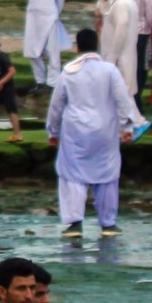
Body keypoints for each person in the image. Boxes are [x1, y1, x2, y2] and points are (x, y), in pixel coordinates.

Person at [46, 27, 127, 239]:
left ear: (78, 47)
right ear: (97, 46)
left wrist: (53, 131)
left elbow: (56, 105)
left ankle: (74, 223)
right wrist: (127, 127)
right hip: (105, 130)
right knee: (107, 175)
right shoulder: (110, 70)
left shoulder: (69, 71)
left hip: (75, 132)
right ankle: (108, 223)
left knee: (73, 175)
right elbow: (123, 100)